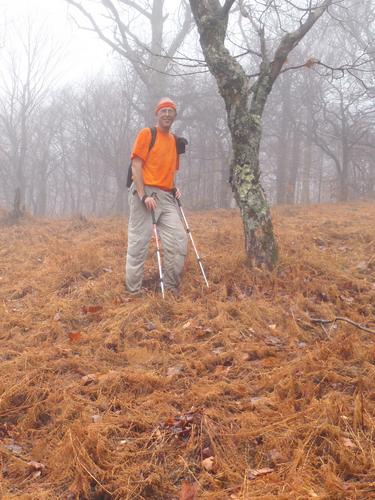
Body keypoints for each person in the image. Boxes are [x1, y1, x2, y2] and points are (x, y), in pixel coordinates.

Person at [125, 97, 188, 296]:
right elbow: (136, 165)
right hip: (145, 194)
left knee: (179, 240)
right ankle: (133, 292)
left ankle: (170, 288)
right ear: (157, 114)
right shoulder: (147, 134)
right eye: (164, 111)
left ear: (175, 115)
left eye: (171, 111)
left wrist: (174, 188)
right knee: (138, 244)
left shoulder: (175, 141)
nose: (167, 114)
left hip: (167, 198)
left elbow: (169, 171)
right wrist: (143, 196)